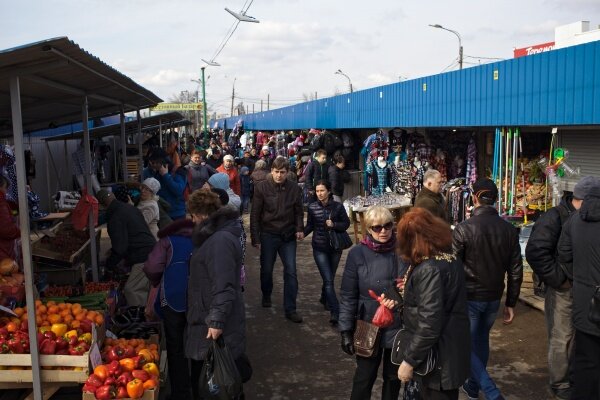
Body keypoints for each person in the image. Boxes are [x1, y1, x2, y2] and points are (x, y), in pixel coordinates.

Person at [452, 178, 522, 400]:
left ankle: (490, 392)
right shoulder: (509, 231)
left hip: (470, 297)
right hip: (493, 297)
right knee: (480, 340)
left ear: (474, 198)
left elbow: (452, 268)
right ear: (496, 200)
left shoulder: (463, 229)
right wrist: (510, 302)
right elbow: (515, 270)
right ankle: (473, 387)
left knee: (465, 344)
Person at [525, 179, 592, 400]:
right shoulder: (555, 216)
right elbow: (535, 251)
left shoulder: (584, 218)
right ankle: (560, 383)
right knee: (561, 336)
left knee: (578, 337)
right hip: (563, 289)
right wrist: (559, 279)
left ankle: (571, 378)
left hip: (582, 288)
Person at [394, 207, 470, 400]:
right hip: (448, 352)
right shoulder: (449, 259)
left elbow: (430, 322)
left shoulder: (429, 269)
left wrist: (409, 361)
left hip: (437, 361)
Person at [185, 189, 246, 398]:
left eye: (192, 217)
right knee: (215, 386)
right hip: (206, 318)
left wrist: (216, 322)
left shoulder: (219, 241)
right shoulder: (215, 237)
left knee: (217, 387)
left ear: (200, 215)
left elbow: (224, 284)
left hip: (213, 325)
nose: (192, 222)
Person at [339, 206, 403, 400]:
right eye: (376, 227)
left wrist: (399, 298)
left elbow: (412, 285)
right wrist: (345, 330)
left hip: (398, 322)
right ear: (368, 229)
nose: (383, 231)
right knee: (364, 377)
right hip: (368, 323)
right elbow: (348, 294)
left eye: (387, 226)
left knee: (393, 379)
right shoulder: (357, 254)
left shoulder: (403, 250)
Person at [143, 217, 195, 400]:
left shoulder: (167, 241)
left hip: (172, 299)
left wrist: (156, 281)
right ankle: (199, 389)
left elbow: (152, 267)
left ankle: (181, 394)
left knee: (175, 346)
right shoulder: (202, 238)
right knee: (197, 343)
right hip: (199, 299)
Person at [558, 177, 600, 400]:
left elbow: (563, 255)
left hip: (584, 303)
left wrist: (580, 279)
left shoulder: (574, 221)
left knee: (585, 360)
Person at [250, 157, 305, 323]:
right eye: (276, 172)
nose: (279, 175)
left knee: (291, 271)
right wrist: (255, 237)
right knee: (266, 269)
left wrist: (299, 228)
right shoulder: (262, 187)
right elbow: (255, 214)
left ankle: (291, 308)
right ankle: (266, 294)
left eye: (282, 172)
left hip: (287, 235)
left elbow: (298, 211)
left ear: (287, 173)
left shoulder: (294, 188)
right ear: (271, 171)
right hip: (268, 234)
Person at [96, 189, 156, 306]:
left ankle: (141, 319)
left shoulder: (115, 217)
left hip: (143, 257)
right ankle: (149, 315)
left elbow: (120, 248)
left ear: (102, 206)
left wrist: (109, 265)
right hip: (152, 250)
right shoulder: (129, 208)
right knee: (146, 288)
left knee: (132, 290)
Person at [304, 179, 350, 324]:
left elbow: (346, 224)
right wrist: (300, 234)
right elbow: (310, 226)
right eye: (317, 191)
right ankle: (335, 312)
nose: (319, 194)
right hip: (319, 248)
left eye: (322, 190)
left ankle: (324, 298)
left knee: (329, 276)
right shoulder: (312, 207)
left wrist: (334, 224)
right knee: (329, 280)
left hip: (335, 248)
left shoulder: (338, 207)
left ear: (329, 191)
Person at [143, 150, 187, 220]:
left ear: (162, 162)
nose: (152, 165)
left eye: (154, 162)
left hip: (177, 213)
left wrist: (165, 175)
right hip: (162, 213)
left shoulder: (178, 171)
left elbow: (178, 190)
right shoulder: (155, 173)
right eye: (151, 162)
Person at [0, 175, 20, 260]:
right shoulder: (1, 204)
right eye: (5, 188)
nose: (6, 191)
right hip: (3, 250)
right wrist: (20, 232)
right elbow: (6, 229)